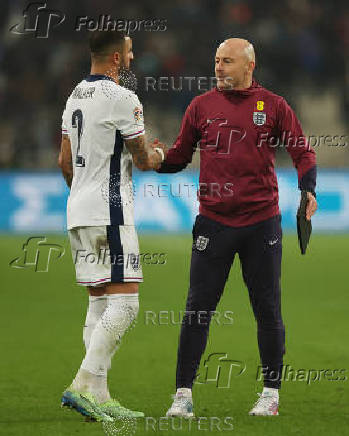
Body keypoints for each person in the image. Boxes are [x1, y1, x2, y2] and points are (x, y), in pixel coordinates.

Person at [159, 38, 317, 417]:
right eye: (216, 60)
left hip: (262, 223)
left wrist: (308, 189)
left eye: (226, 61)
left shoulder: (273, 105)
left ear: (249, 65)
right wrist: (155, 159)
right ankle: (182, 396)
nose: (218, 67)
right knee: (198, 309)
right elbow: (180, 154)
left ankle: (270, 395)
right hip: (213, 223)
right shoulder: (201, 106)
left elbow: (302, 151)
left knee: (267, 308)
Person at [58, 30, 166, 422]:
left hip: (78, 211)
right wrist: (159, 153)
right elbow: (142, 159)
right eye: (131, 52)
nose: (134, 58)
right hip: (111, 211)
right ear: (117, 59)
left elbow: (64, 162)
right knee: (126, 303)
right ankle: (83, 383)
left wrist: (84, 197)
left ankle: (100, 397)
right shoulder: (123, 98)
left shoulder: (74, 96)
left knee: (99, 301)